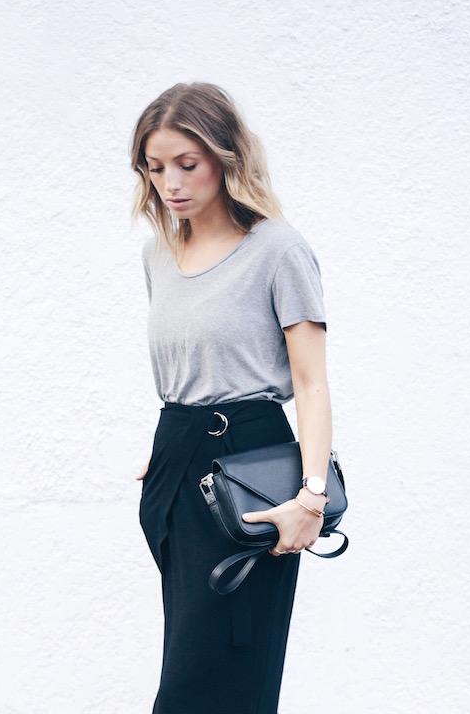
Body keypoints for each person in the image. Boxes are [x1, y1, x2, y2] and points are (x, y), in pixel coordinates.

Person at [131, 82, 333, 714]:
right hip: (177, 462)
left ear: (226, 157)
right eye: (155, 167)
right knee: (193, 658)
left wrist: (313, 496)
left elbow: (311, 382)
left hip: (248, 468)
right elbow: (194, 364)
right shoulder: (158, 255)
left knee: (219, 677)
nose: (171, 182)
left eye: (186, 164)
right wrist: (168, 451)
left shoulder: (278, 250)